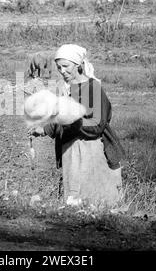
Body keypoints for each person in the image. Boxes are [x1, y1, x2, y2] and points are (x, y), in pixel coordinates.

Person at [28, 44, 125, 207]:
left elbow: (97, 125)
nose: (62, 71)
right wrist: (44, 130)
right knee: (75, 202)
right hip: (71, 151)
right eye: (59, 67)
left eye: (66, 66)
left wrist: (73, 121)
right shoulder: (68, 89)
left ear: (78, 65)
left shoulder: (93, 88)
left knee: (95, 200)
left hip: (90, 151)